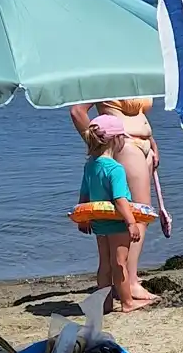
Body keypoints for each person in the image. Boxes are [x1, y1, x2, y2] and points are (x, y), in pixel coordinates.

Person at [70, 98, 170, 305]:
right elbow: (77, 112)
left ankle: (123, 282)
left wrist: (152, 143)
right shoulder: (103, 77)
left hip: (142, 146)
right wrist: (98, 145)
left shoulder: (134, 74)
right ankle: (129, 283)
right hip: (124, 146)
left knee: (140, 215)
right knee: (138, 214)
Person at [78, 115, 147, 312]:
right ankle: (127, 303)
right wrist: (131, 222)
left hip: (99, 223)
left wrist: (82, 218)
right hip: (117, 223)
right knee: (119, 263)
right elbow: (119, 199)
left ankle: (105, 304)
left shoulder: (90, 166)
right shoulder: (116, 169)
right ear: (116, 140)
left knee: (104, 264)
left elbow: (84, 194)